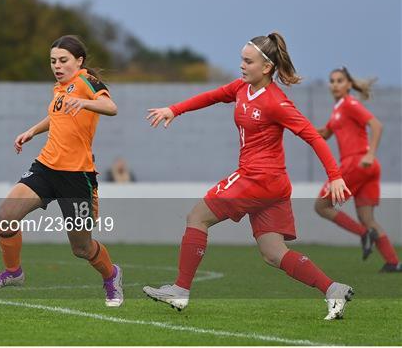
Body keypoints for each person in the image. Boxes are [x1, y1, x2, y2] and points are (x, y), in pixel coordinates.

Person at [143, 32, 354, 320]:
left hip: (257, 179)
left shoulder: (276, 102)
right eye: (241, 59)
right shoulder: (242, 88)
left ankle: (180, 290)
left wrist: (335, 175)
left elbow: (312, 136)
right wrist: (174, 110)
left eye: (248, 61)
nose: (241, 65)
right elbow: (211, 96)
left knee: (197, 217)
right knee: (273, 252)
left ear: (266, 67)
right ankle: (333, 289)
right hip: (273, 184)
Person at [0, 35, 124, 307]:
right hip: (46, 168)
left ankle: (112, 276)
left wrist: (86, 103)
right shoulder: (60, 87)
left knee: (81, 248)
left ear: (78, 61)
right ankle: (13, 273)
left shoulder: (85, 81)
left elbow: (111, 107)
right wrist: (31, 131)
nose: (57, 65)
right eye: (53, 61)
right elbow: (57, 115)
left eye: (63, 60)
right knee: (6, 216)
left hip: (77, 177)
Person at [314, 67, 401, 272]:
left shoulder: (350, 104)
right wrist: (293, 125)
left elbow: (376, 125)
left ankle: (363, 234)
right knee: (368, 219)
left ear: (349, 85)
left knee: (321, 206)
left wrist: (370, 154)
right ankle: (392, 262)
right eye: (332, 81)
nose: (335, 84)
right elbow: (325, 134)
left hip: (357, 163)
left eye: (339, 80)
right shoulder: (338, 110)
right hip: (367, 168)